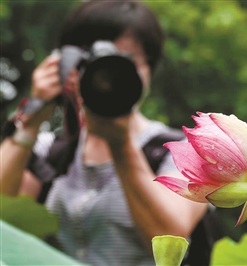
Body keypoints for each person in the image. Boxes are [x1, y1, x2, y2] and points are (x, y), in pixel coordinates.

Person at [0, 1, 208, 265]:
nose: (107, 76)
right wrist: (32, 118)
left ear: (149, 70)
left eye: (126, 61)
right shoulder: (51, 149)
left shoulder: (186, 150)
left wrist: (121, 147)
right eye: (93, 61)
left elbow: (169, 239)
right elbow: (2, 218)